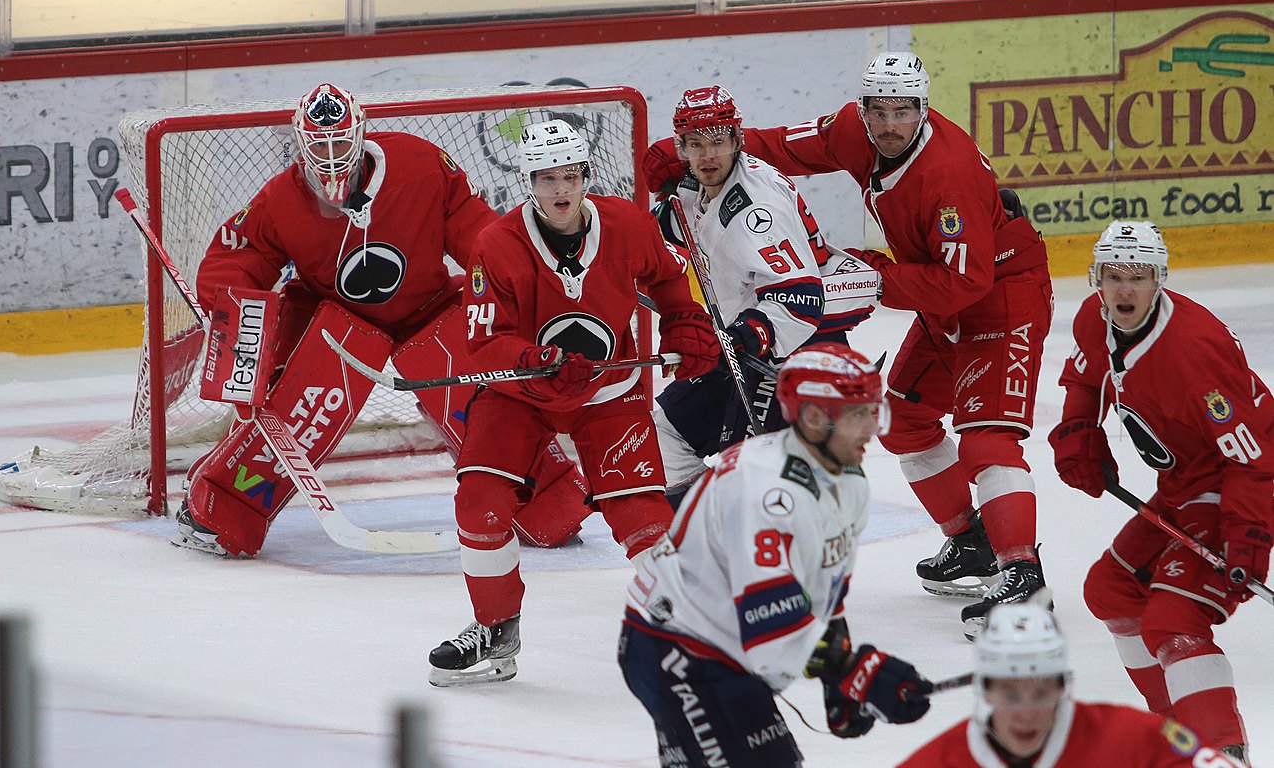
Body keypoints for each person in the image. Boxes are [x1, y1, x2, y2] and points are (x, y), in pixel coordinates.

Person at [642, 51, 1054, 634]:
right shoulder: (853, 132)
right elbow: (781, 146)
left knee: (987, 437)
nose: (889, 125)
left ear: (923, 108)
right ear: (862, 110)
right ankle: (972, 541)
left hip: (1000, 297)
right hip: (939, 296)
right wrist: (692, 147)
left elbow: (965, 281)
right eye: (877, 111)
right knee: (907, 422)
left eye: (903, 111)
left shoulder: (948, 171)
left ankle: (1022, 575)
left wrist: (875, 278)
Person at [180, 83, 593, 558]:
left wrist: (520, 283)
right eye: (319, 145)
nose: (330, 156)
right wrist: (231, 312)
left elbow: (476, 232)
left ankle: (548, 503)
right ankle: (221, 507)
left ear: (359, 136)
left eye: (339, 142)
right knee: (297, 410)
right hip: (335, 322)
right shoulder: (280, 200)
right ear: (299, 144)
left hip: (430, 309)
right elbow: (240, 256)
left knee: (486, 403)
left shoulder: (419, 164)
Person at [427, 118, 721, 687]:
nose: (560, 191)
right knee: (481, 502)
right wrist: (536, 360)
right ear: (528, 184)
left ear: (586, 177)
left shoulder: (629, 225)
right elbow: (484, 341)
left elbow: (668, 280)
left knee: (640, 512)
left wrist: (685, 323)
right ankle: (494, 628)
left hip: (609, 391)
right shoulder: (496, 245)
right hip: (521, 396)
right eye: (546, 179)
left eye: (570, 176)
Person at [618, 343, 933, 767]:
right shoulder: (767, 492)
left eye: (874, 411)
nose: (872, 429)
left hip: (721, 646)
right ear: (815, 418)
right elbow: (769, 622)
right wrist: (854, 670)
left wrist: (838, 676)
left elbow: (825, 587)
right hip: (678, 650)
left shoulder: (846, 480)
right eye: (860, 414)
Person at [1048, 219, 1273, 759]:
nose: (1125, 289)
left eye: (1140, 276)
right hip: (1184, 483)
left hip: (1242, 480)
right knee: (1111, 591)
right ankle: (1178, 732)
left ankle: (1221, 753)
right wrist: (1081, 429)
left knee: (1175, 617)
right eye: (1114, 275)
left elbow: (1254, 459)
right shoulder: (1093, 318)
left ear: (1161, 280)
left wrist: (1249, 540)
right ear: (1096, 279)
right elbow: (1085, 376)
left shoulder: (1195, 351)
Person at [651, 85, 879, 505]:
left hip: (799, 347)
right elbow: (680, 219)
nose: (708, 156)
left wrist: (735, 339)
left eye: (719, 141)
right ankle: (712, 538)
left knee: (778, 488)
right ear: (681, 147)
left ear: (738, 139)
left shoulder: (755, 209)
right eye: (695, 144)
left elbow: (799, 298)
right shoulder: (698, 183)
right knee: (661, 433)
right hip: (752, 341)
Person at [898, 599, 1249, 767]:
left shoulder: (1128, 736)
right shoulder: (940, 761)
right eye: (1011, 695)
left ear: (1062, 688)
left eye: (1040, 693)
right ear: (985, 691)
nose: (1026, 713)